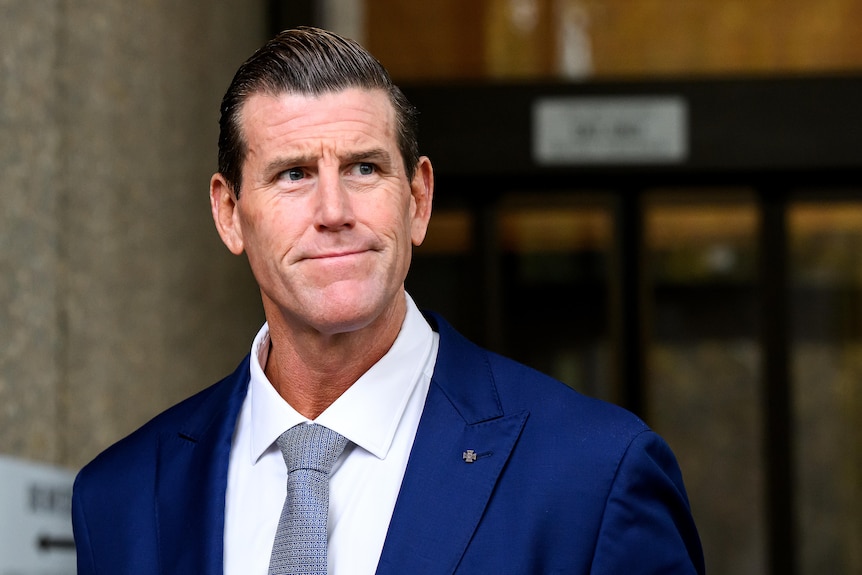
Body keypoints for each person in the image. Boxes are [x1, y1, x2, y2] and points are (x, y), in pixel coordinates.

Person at [71, 27, 705, 575]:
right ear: (230, 213)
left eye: (364, 169)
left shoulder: (595, 475)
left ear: (419, 200)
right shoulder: (122, 497)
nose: (334, 212)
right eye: (293, 174)